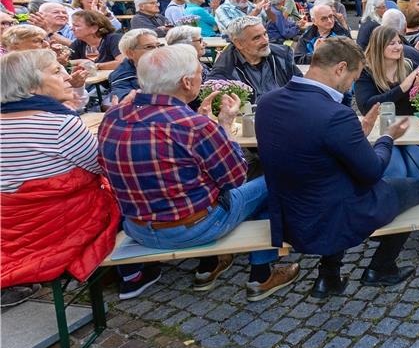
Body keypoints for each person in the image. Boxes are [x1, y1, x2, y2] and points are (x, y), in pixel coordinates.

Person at [98, 44, 300, 300]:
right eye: (199, 71)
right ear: (186, 82)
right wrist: (224, 126)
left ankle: (216, 264)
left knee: (244, 190)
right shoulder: (195, 125)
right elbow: (234, 179)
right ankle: (261, 273)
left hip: (137, 226)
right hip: (194, 228)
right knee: (275, 180)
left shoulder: (114, 116)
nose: (202, 76)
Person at [256, 37, 419, 298]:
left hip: (289, 213)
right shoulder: (335, 114)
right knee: (415, 187)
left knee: (337, 189)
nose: (351, 85)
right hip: (330, 216)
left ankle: (329, 277)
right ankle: (381, 266)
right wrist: (387, 137)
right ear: (340, 68)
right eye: (353, 77)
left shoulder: (268, 103)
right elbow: (371, 172)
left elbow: (310, 149)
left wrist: (357, 136)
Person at [0, 50, 122, 300]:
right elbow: (103, 167)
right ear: (31, 84)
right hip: (58, 225)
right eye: (57, 71)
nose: (67, 76)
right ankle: (133, 273)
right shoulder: (58, 125)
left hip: (11, 225)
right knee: (127, 193)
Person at [354, 26, 419, 187]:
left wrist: (417, 90)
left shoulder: (409, 66)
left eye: (399, 42)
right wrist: (402, 88)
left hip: (412, 127)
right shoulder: (366, 72)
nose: (398, 47)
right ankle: (397, 205)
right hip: (382, 130)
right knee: (396, 172)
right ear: (379, 46)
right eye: (392, 43)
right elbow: (367, 107)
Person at [209, 16, 301, 102]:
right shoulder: (225, 69)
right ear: (239, 43)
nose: (265, 41)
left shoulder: (282, 54)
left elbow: (300, 86)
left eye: (265, 34)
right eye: (257, 38)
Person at [108, 28, 160, 101]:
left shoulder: (169, 64)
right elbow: (125, 99)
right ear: (130, 53)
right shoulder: (122, 76)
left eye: (159, 46)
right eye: (149, 47)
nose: (157, 50)